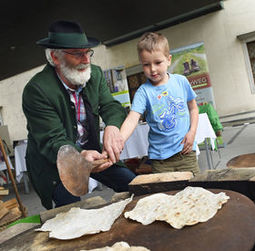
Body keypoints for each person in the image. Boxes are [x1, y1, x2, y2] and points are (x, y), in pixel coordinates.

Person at [22, 20, 135, 210]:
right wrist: (80, 155)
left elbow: (111, 106)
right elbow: (52, 140)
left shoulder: (95, 75)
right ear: (55, 58)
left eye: (88, 52)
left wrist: (113, 127)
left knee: (134, 186)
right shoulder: (37, 90)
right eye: (77, 54)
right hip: (55, 162)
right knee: (71, 212)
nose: (86, 60)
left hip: (93, 152)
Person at [120, 32, 200, 175]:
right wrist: (119, 141)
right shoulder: (143, 92)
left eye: (158, 63)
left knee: (194, 190)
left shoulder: (181, 81)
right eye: (146, 64)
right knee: (166, 195)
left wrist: (192, 132)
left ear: (168, 60)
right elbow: (132, 118)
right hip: (160, 160)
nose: (153, 69)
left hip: (186, 154)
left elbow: (193, 108)